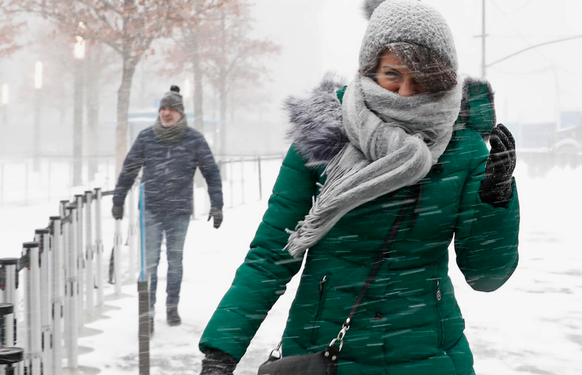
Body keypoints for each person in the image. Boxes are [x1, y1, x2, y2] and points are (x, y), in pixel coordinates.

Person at [198, 0, 519, 374]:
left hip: (427, 354)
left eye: (421, 79)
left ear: (442, 79)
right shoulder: (322, 137)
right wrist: (221, 352)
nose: (404, 93)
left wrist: (496, 197)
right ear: (369, 68)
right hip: (325, 351)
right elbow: (272, 253)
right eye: (392, 74)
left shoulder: (461, 146)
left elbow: (486, 275)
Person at [112, 85, 224, 328]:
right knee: (149, 264)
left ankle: (172, 307)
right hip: (151, 208)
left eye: (171, 109)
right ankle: (147, 313)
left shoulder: (194, 139)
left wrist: (217, 205)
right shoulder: (146, 138)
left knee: (175, 261)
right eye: (163, 108)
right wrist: (118, 199)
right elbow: (129, 170)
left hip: (179, 211)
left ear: (181, 113)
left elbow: (211, 173)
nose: (166, 113)